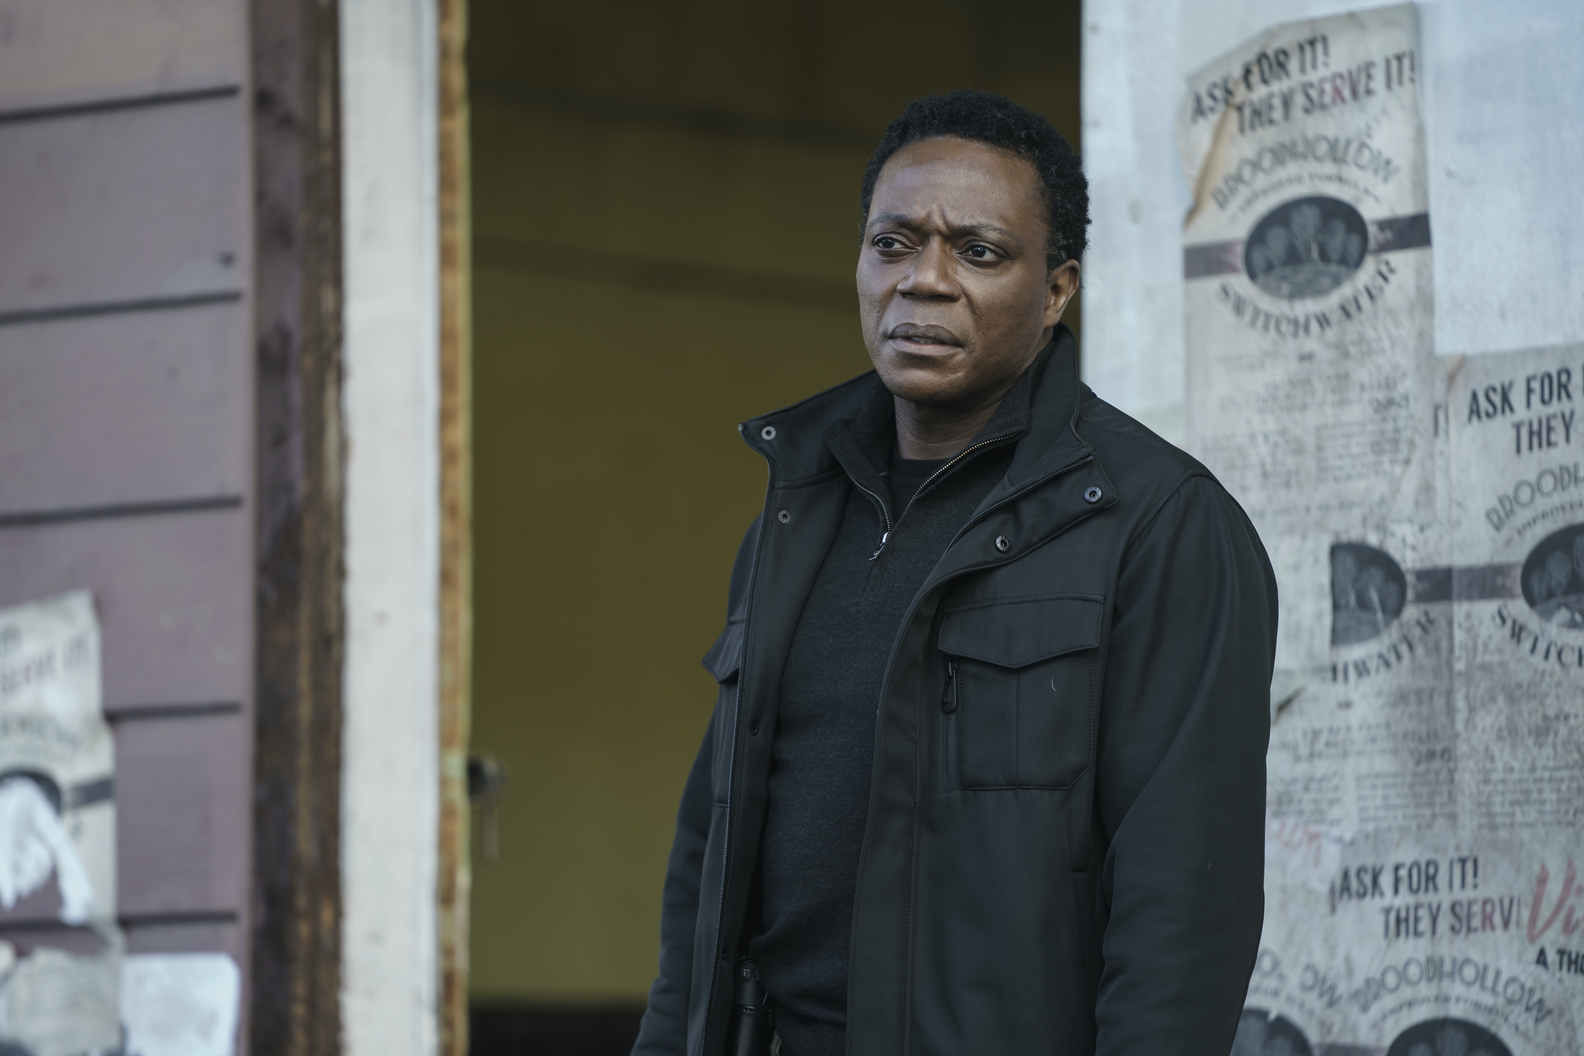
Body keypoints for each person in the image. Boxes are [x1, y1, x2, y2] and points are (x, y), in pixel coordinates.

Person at [632, 90, 1278, 1056]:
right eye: (893, 243)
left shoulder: (1159, 523)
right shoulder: (797, 510)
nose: (923, 281)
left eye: (978, 252)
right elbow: (708, 849)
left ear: (1055, 291)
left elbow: (1185, 904)